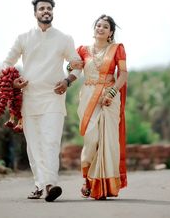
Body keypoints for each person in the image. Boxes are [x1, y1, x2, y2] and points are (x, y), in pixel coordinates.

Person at [3, 0, 80, 202]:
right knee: (34, 145)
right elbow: (6, 63)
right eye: (41, 8)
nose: (45, 11)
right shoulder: (23, 38)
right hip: (29, 99)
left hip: (54, 98)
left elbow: (77, 63)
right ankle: (39, 184)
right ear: (35, 13)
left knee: (51, 142)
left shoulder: (64, 38)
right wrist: (13, 82)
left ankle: (50, 184)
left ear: (53, 12)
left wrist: (67, 81)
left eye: (49, 8)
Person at [69, 14, 128, 200]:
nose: (100, 28)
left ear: (110, 33)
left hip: (108, 99)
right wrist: (69, 69)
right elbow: (75, 70)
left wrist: (112, 93)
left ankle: (99, 185)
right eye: (98, 25)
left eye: (105, 27)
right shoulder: (82, 50)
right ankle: (88, 179)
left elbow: (123, 74)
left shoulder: (117, 49)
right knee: (91, 139)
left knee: (107, 142)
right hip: (88, 97)